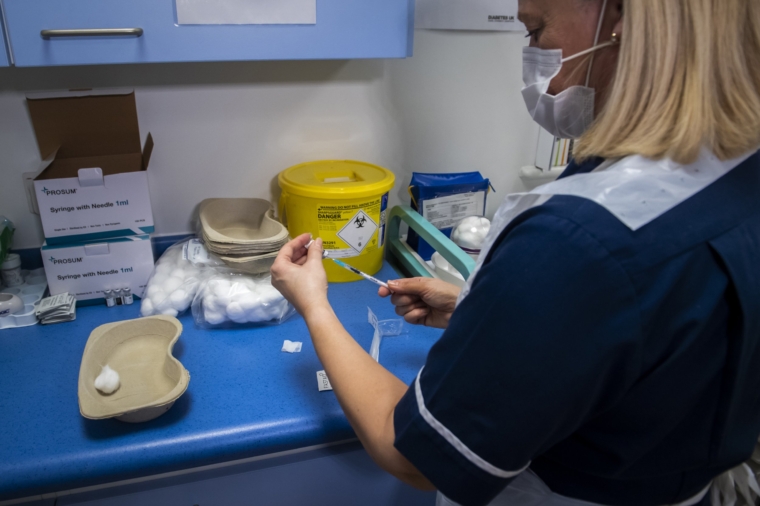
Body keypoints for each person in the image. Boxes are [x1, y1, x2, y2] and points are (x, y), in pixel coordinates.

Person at [271, 0, 760, 504]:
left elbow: (411, 454)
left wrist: (315, 304)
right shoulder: (735, 171)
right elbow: (662, 329)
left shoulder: (579, 236)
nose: (533, 60)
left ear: (620, 19)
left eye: (536, 30)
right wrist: (486, 311)